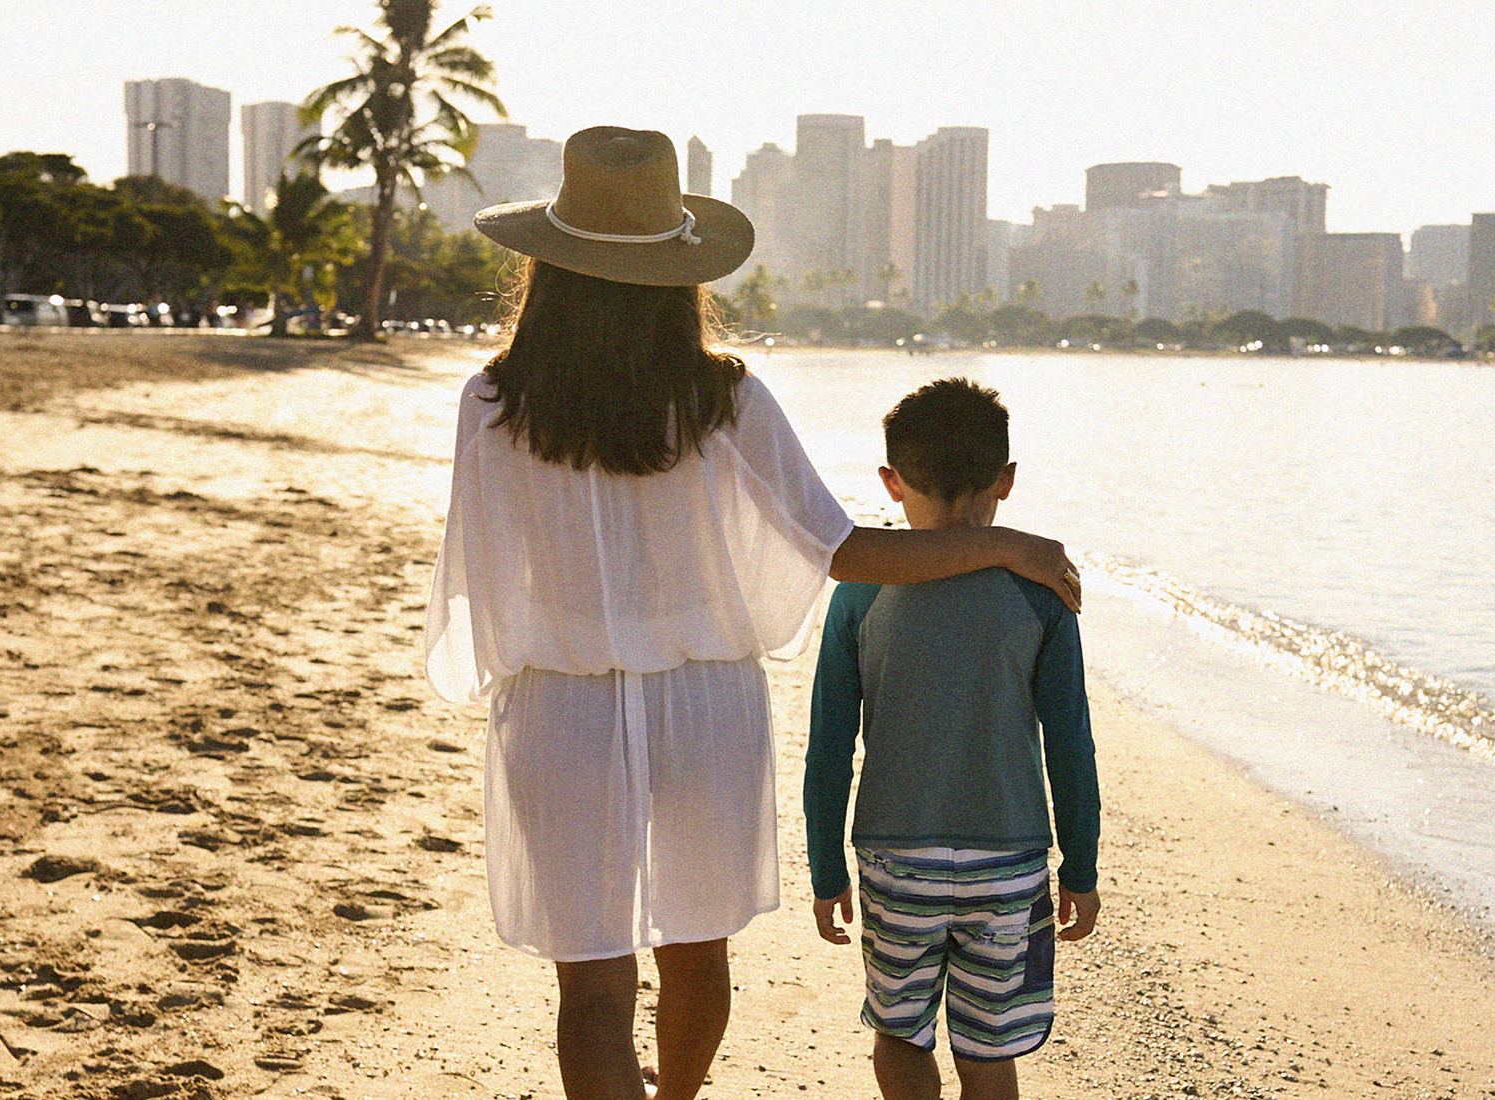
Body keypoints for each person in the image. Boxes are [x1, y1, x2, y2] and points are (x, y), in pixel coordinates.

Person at [422, 127, 1082, 1100]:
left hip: (560, 710)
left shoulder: (495, 400)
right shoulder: (723, 395)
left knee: (593, 986)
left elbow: (483, 571)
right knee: (696, 954)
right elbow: (846, 550)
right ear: (679, 273)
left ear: (551, 267)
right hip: (701, 709)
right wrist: (1003, 543)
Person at [803, 378, 1101, 1100]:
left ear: (891, 482)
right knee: (990, 1056)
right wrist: (1082, 868)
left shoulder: (859, 593)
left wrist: (824, 868)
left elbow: (828, 747)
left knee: (901, 1037)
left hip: (895, 857)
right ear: (1005, 480)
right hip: (1010, 861)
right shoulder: (1042, 593)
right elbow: (1071, 747)